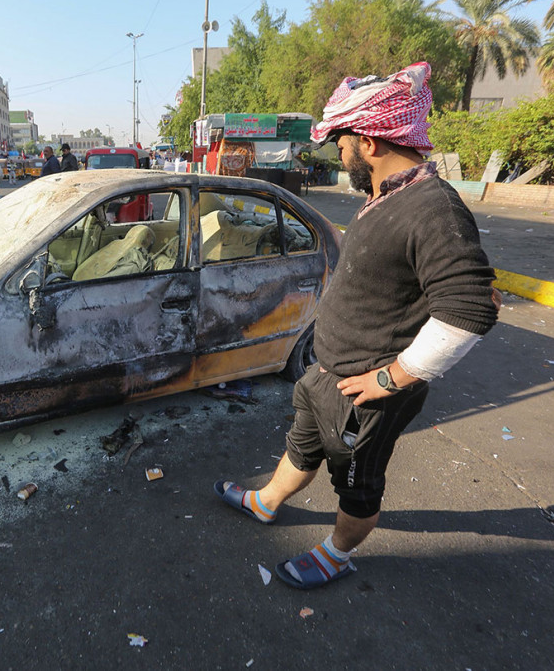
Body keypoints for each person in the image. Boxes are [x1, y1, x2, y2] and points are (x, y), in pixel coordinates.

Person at [214, 62, 500, 590]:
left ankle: (336, 553)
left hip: (365, 395)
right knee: (302, 445)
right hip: (327, 374)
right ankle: (266, 502)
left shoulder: (431, 207)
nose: (338, 154)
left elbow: (470, 310)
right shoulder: (390, 195)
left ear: (369, 142)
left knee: (356, 484)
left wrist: (389, 379)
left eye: (341, 143)